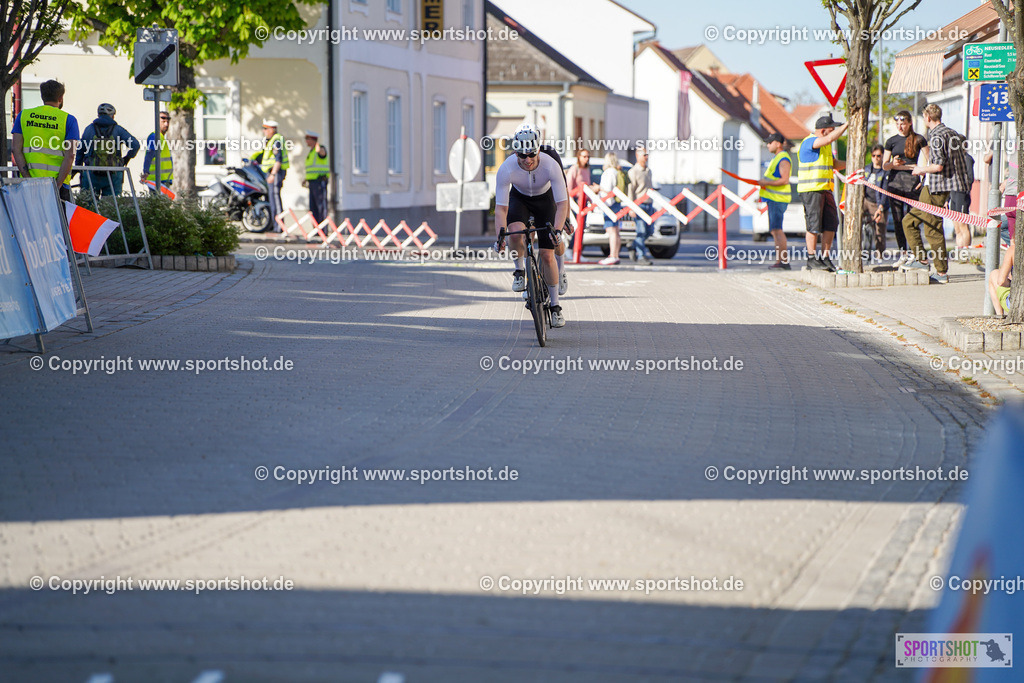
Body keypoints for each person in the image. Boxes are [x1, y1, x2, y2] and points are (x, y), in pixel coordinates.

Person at [494, 123, 570, 328]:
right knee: (514, 234)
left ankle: (555, 307)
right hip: (520, 199)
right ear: (515, 153)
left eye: (531, 155)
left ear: (538, 150)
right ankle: (519, 271)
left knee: (547, 254)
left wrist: (558, 228)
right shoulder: (506, 168)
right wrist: (500, 236)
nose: (527, 160)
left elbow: (562, 203)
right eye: (521, 155)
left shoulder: (550, 164)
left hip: (546, 200)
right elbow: (501, 210)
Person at [900, 104, 969, 284]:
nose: (924, 120)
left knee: (932, 228)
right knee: (909, 222)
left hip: (937, 188)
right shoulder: (951, 132)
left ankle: (941, 271)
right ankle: (921, 259)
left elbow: (938, 165)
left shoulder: (937, 135)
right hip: (934, 187)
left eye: (924, 117)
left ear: (928, 117)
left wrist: (920, 170)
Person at [11, 79, 79, 201]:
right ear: (61, 98)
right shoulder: (69, 120)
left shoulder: (24, 115)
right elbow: (70, 155)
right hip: (58, 184)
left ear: (42, 96)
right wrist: (58, 184)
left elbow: (16, 149)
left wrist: (27, 178)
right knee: (58, 219)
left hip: (29, 183)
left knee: (31, 219)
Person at [798, 114, 848, 271]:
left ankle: (825, 258)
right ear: (824, 130)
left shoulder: (825, 147)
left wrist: (854, 164)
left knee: (831, 224)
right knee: (814, 225)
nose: (833, 133)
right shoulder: (809, 142)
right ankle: (811, 258)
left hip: (825, 189)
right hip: (812, 189)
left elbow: (834, 164)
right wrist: (847, 125)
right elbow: (828, 140)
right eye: (832, 130)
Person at [882, 111, 927, 266]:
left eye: (903, 123)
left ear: (909, 123)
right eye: (897, 124)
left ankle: (915, 252)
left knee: (912, 219)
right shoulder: (891, 141)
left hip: (912, 183)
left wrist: (924, 177)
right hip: (895, 184)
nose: (900, 126)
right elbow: (884, 165)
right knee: (897, 220)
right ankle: (903, 253)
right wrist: (893, 164)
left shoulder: (919, 139)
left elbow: (929, 160)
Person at [77, 103, 140, 197]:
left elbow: (80, 151)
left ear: (98, 115)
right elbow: (135, 145)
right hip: (113, 174)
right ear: (112, 116)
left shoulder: (89, 129)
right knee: (111, 207)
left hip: (91, 173)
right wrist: (127, 158)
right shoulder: (118, 130)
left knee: (88, 207)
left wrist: (78, 168)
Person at [758, 133, 792, 269]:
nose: (767, 145)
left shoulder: (783, 158)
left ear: (778, 143)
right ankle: (780, 261)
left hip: (778, 199)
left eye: (770, 142)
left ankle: (783, 262)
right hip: (774, 199)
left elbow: (784, 179)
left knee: (777, 230)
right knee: (774, 231)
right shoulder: (777, 158)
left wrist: (765, 182)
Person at [627, 145, 655, 265]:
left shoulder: (649, 171)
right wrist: (631, 207)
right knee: (641, 231)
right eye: (644, 155)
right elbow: (631, 190)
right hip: (639, 205)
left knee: (650, 230)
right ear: (638, 156)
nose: (646, 157)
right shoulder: (633, 172)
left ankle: (633, 245)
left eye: (647, 155)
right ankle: (641, 256)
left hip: (649, 204)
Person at [861, 144, 889, 262]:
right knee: (858, 224)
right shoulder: (867, 169)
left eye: (879, 155)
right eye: (874, 155)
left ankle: (879, 254)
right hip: (866, 201)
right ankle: (860, 251)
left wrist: (880, 208)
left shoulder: (885, 171)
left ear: (882, 156)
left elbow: (885, 191)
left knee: (879, 229)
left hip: (878, 204)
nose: (876, 158)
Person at [259, 119, 288, 232]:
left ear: (272, 129)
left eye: (266, 129)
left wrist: (272, 174)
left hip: (275, 173)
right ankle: (274, 226)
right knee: (271, 199)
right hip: (271, 173)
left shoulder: (276, 141)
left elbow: (278, 160)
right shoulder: (270, 141)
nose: (264, 131)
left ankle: (279, 226)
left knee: (275, 199)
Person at [599, 152, 626, 266]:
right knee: (616, 230)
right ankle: (616, 255)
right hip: (616, 203)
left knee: (611, 230)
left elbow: (607, 189)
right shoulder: (617, 172)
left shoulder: (608, 173)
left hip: (609, 204)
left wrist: (597, 188)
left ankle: (612, 255)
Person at [949, 152, 975, 257]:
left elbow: (970, 178)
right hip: (953, 194)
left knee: (963, 224)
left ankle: (966, 252)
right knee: (956, 226)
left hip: (962, 194)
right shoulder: (952, 159)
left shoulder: (966, 158)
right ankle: (959, 252)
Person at [141, 110, 173, 192]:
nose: (166, 124)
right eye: (163, 121)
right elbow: (150, 154)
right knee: (159, 203)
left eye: (167, 121)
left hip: (162, 179)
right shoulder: (156, 137)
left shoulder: (160, 137)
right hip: (157, 180)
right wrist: (146, 171)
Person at [303, 130, 330, 225]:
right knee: (313, 207)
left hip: (319, 182)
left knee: (320, 207)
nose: (306, 141)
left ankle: (323, 229)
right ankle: (316, 229)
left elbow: (322, 153)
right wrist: (306, 179)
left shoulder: (320, 149)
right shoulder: (311, 152)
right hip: (312, 182)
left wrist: (318, 146)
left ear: (312, 139)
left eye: (307, 138)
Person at [989, 238, 1014, 317]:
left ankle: (1000, 316)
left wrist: (1011, 280)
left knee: (994, 274)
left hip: (1016, 303)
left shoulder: (1013, 249)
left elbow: (1001, 281)